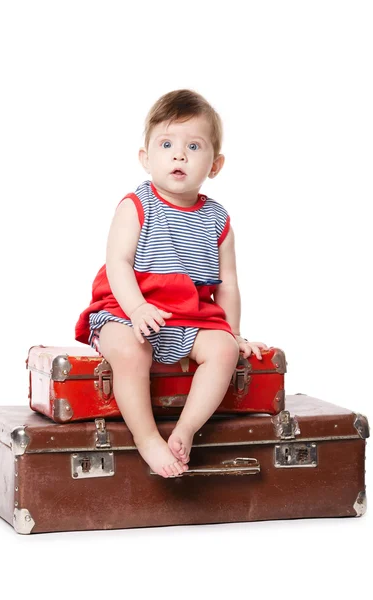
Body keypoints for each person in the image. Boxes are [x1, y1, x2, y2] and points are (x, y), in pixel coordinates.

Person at [75, 89, 268, 478]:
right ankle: (146, 438)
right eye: (167, 144)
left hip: (190, 315)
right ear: (146, 158)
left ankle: (186, 429)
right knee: (131, 351)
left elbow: (227, 284)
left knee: (224, 350)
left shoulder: (218, 220)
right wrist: (136, 309)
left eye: (193, 146)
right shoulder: (137, 205)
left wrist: (234, 332)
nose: (179, 155)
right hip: (125, 308)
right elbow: (119, 262)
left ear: (215, 165)